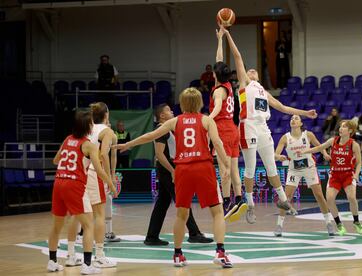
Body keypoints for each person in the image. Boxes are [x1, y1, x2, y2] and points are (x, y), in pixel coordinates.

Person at [114, 88, 233, 268]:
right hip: (203, 166)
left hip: (183, 169)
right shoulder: (207, 120)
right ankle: (221, 253)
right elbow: (217, 143)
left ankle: (178, 255)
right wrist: (226, 165)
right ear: (200, 103)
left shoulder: (175, 121)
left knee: (181, 214)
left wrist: (128, 144)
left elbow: (150, 136)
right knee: (217, 212)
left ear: (182, 104)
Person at [222, 25, 317, 224]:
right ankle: (249, 205)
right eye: (249, 70)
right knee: (250, 169)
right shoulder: (244, 84)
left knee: (271, 168)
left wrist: (305, 113)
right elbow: (238, 57)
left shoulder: (264, 92)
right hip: (247, 126)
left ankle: (283, 200)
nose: (252, 70)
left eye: (254, 70)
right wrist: (228, 35)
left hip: (264, 129)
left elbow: (283, 108)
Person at [47, 109, 114, 274]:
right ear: (88, 126)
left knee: (57, 225)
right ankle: (87, 265)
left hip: (58, 183)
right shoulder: (88, 145)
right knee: (88, 224)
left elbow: (55, 160)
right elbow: (99, 171)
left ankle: (52, 261)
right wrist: (111, 184)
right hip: (73, 185)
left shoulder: (67, 139)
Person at [144, 104, 213, 246]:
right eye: (168, 110)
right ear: (162, 116)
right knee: (183, 201)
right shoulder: (161, 129)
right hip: (167, 169)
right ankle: (194, 233)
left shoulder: (169, 129)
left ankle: (152, 236)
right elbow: (159, 154)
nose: (172, 112)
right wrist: (172, 171)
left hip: (169, 169)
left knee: (162, 203)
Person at [66, 102, 119, 270]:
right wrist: (110, 178)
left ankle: (71, 254)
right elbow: (104, 154)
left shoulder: (88, 127)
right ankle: (100, 256)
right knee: (99, 215)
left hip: (80, 172)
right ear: (107, 114)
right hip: (94, 173)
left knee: (77, 215)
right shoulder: (107, 131)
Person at [300, 120, 362, 236]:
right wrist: (306, 151)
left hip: (348, 174)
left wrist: (356, 175)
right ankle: (339, 224)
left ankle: (356, 222)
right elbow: (319, 148)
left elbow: (359, 163)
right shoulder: (333, 141)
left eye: (344, 127)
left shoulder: (354, 144)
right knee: (330, 199)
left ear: (350, 131)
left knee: (351, 197)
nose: (341, 128)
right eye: (340, 126)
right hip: (335, 174)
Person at [274, 115, 334, 237]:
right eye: (291, 119)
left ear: (301, 123)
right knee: (286, 198)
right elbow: (275, 154)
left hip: (309, 168)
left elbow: (319, 145)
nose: (293, 120)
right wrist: (278, 157)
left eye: (296, 118)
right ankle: (279, 225)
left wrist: (325, 154)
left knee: (319, 195)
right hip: (294, 169)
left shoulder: (308, 134)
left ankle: (328, 222)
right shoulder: (285, 138)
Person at [210, 28, 247, 222]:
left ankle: (226, 202)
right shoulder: (229, 86)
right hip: (234, 130)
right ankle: (240, 199)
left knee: (224, 170)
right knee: (233, 168)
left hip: (223, 129)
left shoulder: (218, 91)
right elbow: (220, 60)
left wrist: (207, 119)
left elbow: (216, 108)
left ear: (215, 75)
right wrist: (220, 40)